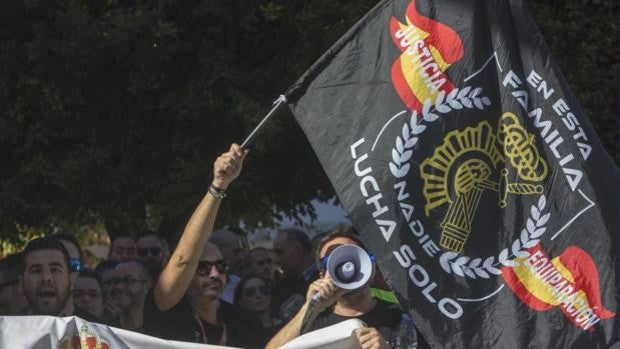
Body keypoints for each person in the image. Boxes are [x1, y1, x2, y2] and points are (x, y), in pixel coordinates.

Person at [141, 143, 256, 347]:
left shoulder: (240, 325)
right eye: (202, 268)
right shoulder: (168, 311)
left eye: (221, 266)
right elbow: (184, 260)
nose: (214, 274)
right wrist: (219, 185)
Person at [266, 227, 426, 349]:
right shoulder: (312, 325)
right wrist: (311, 307)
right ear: (322, 275)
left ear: (372, 268)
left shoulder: (403, 320)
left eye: (353, 256)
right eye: (331, 261)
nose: (344, 265)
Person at [19, 237, 101, 322]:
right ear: (21, 283)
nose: (46, 277)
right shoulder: (7, 329)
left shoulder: (100, 332)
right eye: (36, 270)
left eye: (55, 269)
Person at [272, 228, 316, 321]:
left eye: (280, 253)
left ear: (298, 249)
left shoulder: (326, 278)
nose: (276, 260)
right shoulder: (281, 287)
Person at [235, 276, 283, 348]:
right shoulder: (237, 332)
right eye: (250, 292)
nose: (258, 295)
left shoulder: (286, 324)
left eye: (263, 289)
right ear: (241, 301)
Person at [109, 259, 153, 331]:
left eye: (129, 281)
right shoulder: (107, 332)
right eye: (115, 281)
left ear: (146, 287)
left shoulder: (160, 329)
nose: (119, 287)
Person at [210, 228, 247, 304]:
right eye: (235, 252)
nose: (241, 257)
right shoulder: (198, 288)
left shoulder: (241, 285)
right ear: (217, 251)